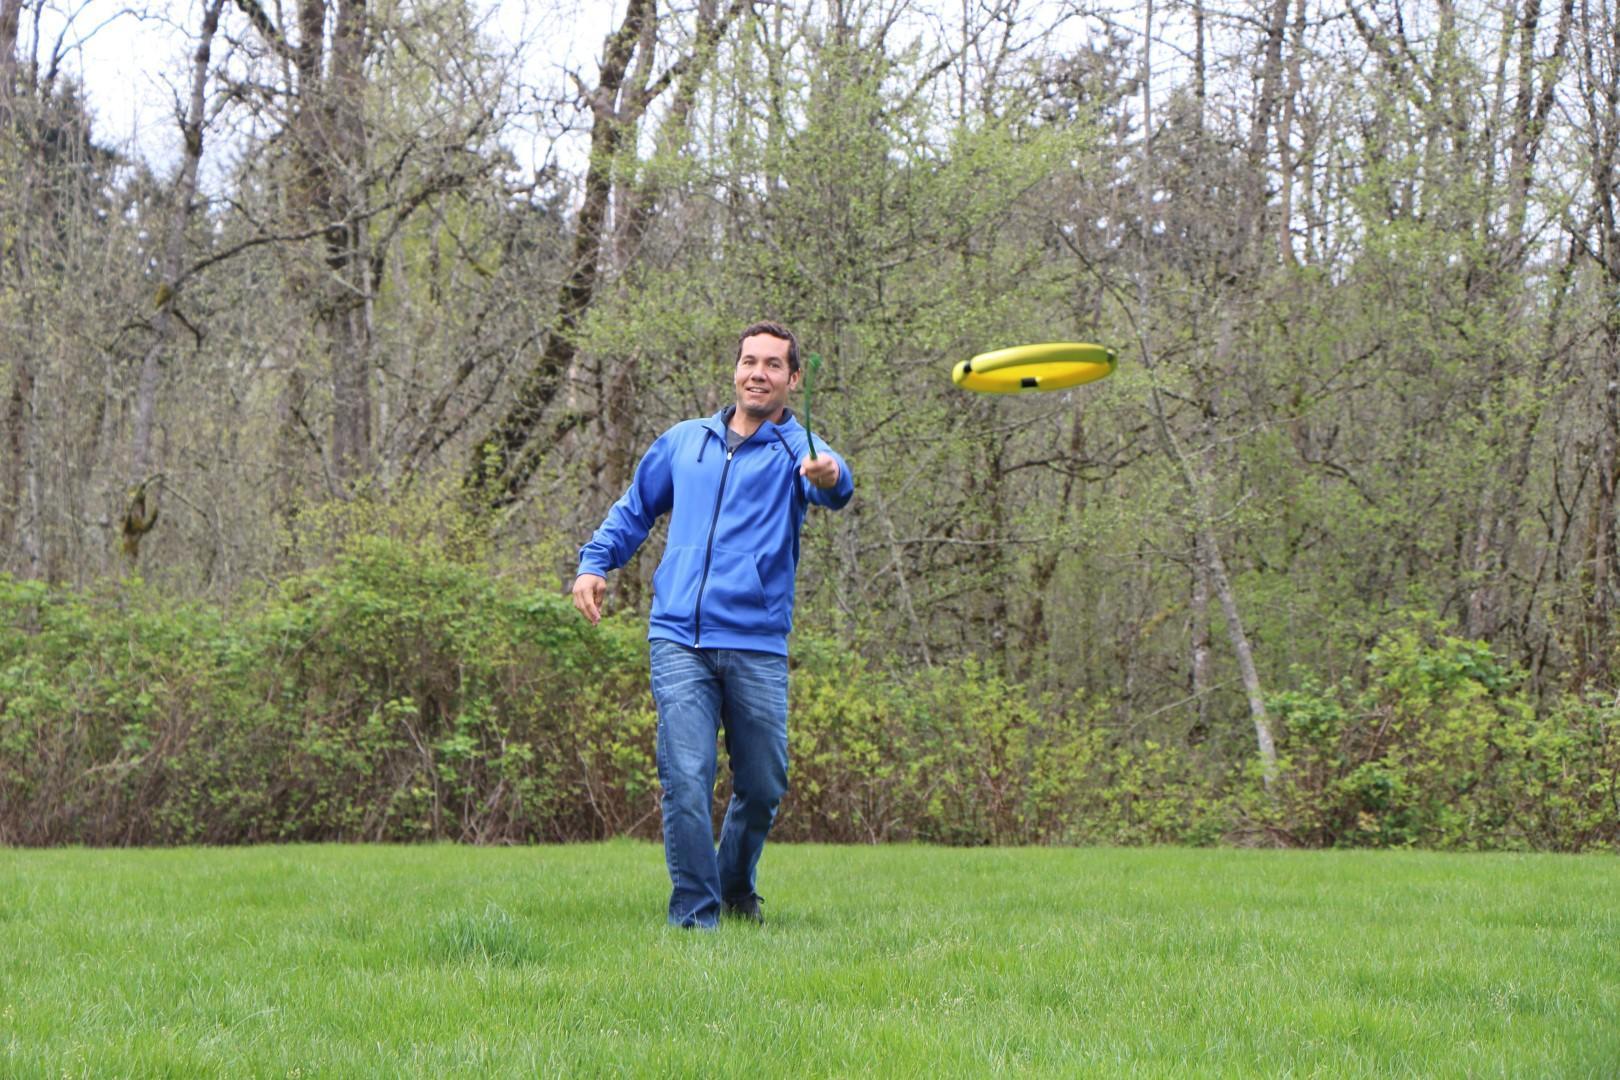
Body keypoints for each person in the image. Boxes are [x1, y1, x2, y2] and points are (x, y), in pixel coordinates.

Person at [571, 321, 855, 929]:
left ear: (793, 378)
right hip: (678, 637)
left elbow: (834, 484)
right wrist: (594, 565)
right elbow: (634, 510)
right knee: (687, 778)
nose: (759, 373)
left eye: (773, 365)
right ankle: (695, 918)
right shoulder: (684, 442)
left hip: (754, 643)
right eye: (749, 361)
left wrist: (831, 478)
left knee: (762, 784)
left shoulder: (798, 451)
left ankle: (733, 887)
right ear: (735, 370)